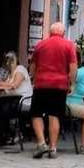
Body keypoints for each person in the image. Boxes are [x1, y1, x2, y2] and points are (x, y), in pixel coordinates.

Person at [28, 21, 77, 159]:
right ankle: (53, 148)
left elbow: (33, 65)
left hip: (41, 84)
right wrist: (71, 84)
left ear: (50, 32)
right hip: (60, 85)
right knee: (54, 115)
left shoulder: (40, 44)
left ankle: (41, 142)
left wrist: (33, 78)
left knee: (36, 113)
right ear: (63, 33)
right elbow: (73, 68)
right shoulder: (69, 45)